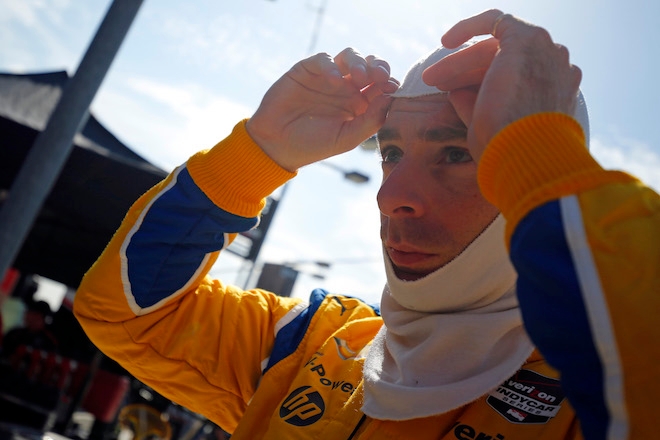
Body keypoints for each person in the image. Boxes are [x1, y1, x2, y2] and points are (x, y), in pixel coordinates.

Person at [73, 9, 659, 440]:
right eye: (391, 153)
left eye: (458, 153)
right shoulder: (313, 343)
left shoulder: (593, 391)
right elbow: (127, 315)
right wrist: (259, 152)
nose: (391, 196)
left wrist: (542, 159)